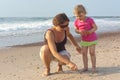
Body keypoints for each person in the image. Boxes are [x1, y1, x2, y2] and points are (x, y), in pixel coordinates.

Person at [73, 4, 98, 73]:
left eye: (80, 16)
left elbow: (95, 27)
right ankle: (85, 67)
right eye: (77, 16)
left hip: (92, 39)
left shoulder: (90, 20)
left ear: (84, 13)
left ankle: (93, 67)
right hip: (84, 40)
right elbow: (76, 30)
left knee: (92, 53)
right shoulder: (76, 22)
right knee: (84, 53)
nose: (79, 17)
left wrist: (89, 31)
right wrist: (79, 31)